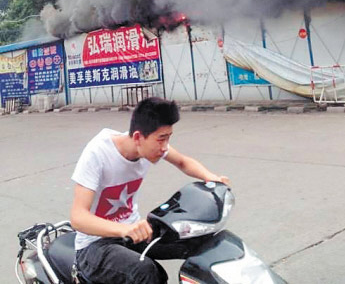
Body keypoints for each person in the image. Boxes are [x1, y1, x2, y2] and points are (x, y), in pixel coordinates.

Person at [70, 97, 230, 283]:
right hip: (94, 246)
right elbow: (78, 217)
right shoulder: (98, 153)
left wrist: (211, 178)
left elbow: (183, 161)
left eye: (168, 138)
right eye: (161, 139)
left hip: (134, 233)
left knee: (201, 241)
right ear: (138, 137)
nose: (165, 148)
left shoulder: (150, 145)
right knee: (147, 272)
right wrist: (125, 229)